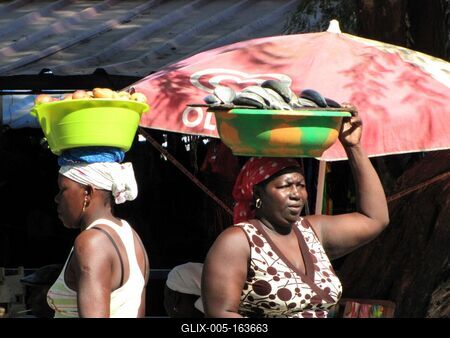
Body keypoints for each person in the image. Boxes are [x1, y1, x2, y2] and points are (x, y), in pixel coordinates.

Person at [201, 105, 390, 318]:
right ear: (258, 195)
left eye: (300, 185)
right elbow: (220, 314)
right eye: (284, 186)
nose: (296, 194)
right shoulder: (238, 241)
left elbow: (375, 219)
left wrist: (353, 147)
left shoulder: (313, 231)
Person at [46, 147, 150, 318]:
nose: (56, 198)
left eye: (63, 189)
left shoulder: (90, 243)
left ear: (87, 192)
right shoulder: (130, 234)